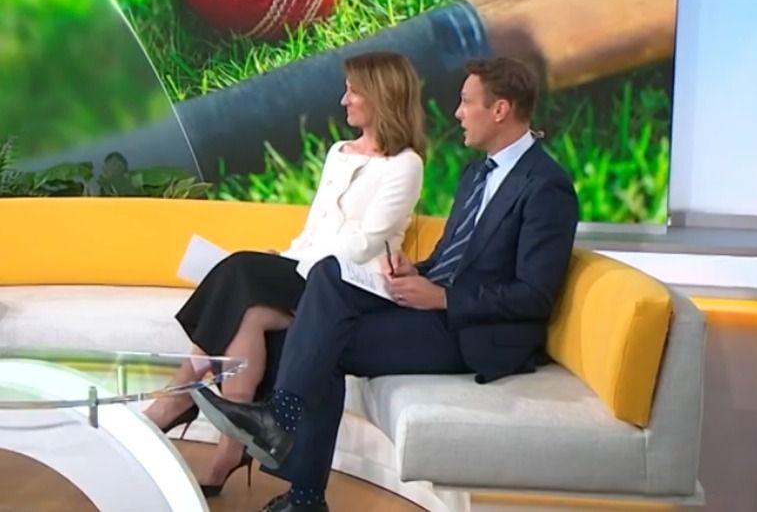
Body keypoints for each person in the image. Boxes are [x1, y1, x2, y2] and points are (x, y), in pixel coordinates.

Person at [192, 57, 580, 512]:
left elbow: (534, 296)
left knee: (321, 339)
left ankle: (289, 453)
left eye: (466, 102)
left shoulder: (546, 186)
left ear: (500, 110)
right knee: (328, 280)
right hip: (435, 309)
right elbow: (455, 257)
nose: (457, 113)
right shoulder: (477, 173)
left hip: (477, 334)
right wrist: (417, 271)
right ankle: (294, 465)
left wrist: (444, 297)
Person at [143, 51, 426, 497]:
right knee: (250, 311)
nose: (344, 100)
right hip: (306, 268)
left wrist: (295, 265)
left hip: (347, 285)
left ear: (381, 95)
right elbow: (314, 229)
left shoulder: (405, 165)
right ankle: (228, 449)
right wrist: (289, 256)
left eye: (353, 91)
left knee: (241, 269)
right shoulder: (339, 152)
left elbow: (363, 245)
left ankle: (180, 395)